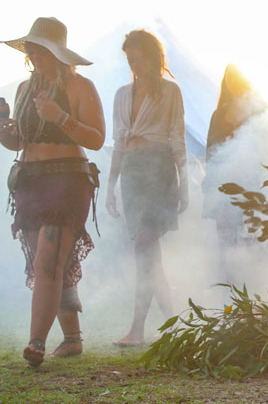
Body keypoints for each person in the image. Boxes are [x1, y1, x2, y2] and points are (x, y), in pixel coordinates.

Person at [0, 17, 104, 366]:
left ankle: (36, 342)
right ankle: (71, 338)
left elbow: (97, 139)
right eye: (31, 49)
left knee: (48, 261)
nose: (34, 55)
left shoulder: (81, 87)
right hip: (30, 181)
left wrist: (61, 118)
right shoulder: (25, 90)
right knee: (47, 263)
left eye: (41, 49)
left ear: (57, 53)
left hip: (68, 182)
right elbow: (21, 141)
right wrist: (4, 133)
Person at [106, 30, 188, 347]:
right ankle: (174, 325)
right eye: (130, 60)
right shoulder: (121, 94)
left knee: (144, 246)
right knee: (149, 254)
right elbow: (117, 143)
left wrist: (184, 185)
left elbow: (178, 139)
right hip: (131, 171)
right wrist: (111, 185)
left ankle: (138, 329)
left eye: (139, 59)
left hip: (159, 168)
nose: (134, 66)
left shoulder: (170, 92)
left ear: (153, 59)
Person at [201, 64, 268, 284]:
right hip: (224, 188)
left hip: (252, 186)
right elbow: (211, 152)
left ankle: (253, 291)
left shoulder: (262, 111)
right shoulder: (219, 114)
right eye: (230, 79)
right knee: (225, 243)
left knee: (252, 242)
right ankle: (228, 295)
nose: (234, 83)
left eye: (238, 78)